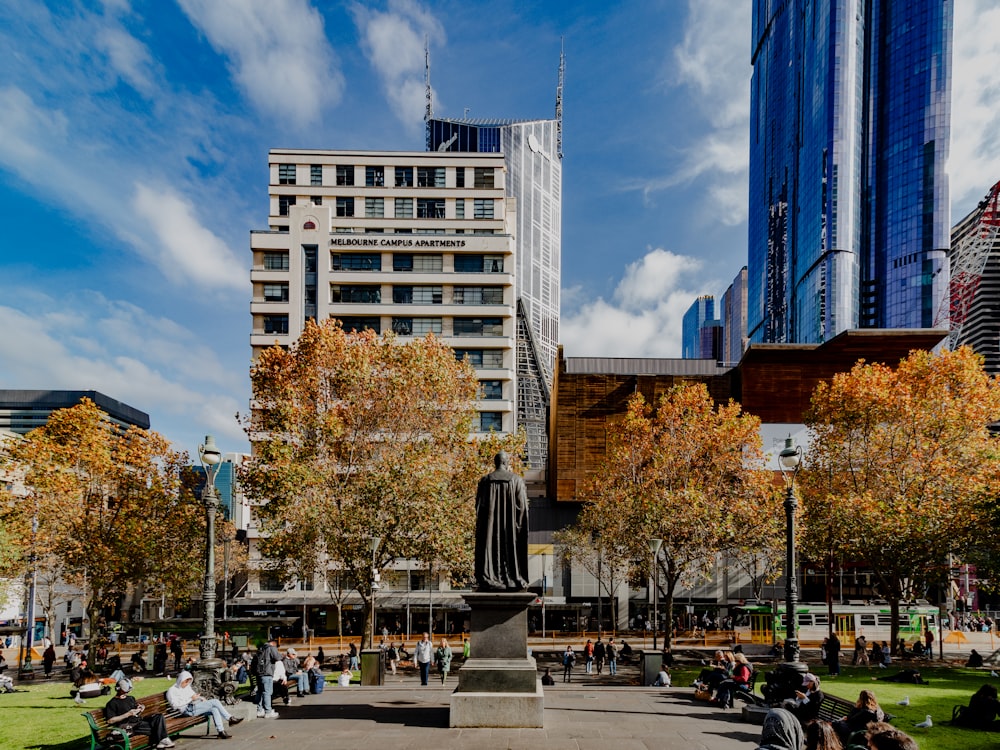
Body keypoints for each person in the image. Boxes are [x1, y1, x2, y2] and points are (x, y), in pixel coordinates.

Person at [474, 451, 529, 590]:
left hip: (489, 530)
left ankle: (489, 577)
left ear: (495, 463)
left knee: (490, 549)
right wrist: (518, 526)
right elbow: (522, 507)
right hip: (510, 531)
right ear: (506, 463)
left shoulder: (485, 481)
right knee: (511, 549)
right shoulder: (517, 480)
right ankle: (512, 578)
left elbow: (479, 507)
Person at [166, 671, 242, 739]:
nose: (186, 684)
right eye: (185, 682)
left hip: (193, 706)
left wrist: (201, 698)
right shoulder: (172, 690)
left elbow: (194, 696)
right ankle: (230, 718)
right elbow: (174, 705)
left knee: (214, 709)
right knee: (215, 701)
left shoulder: (186, 687)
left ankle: (221, 731)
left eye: (188, 682)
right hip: (186, 710)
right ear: (180, 680)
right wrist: (190, 699)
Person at [104, 678, 174, 749]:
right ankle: (162, 741)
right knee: (158, 729)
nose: (128, 692)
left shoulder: (130, 698)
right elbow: (110, 720)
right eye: (125, 691)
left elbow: (136, 709)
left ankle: (162, 741)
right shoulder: (112, 703)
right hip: (130, 727)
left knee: (159, 716)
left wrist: (141, 708)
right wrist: (127, 714)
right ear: (119, 689)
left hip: (140, 722)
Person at [254, 639, 282, 718]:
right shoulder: (271, 648)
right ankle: (268, 711)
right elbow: (277, 657)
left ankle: (259, 710)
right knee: (267, 692)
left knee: (260, 691)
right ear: (273, 644)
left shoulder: (260, 649)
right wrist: (280, 655)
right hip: (267, 673)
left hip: (259, 674)